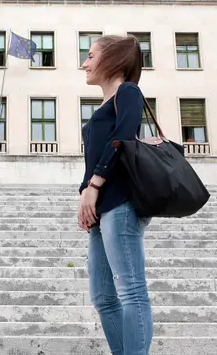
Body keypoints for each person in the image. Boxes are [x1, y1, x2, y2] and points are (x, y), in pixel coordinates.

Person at [78, 35, 153, 355]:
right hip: (99, 206)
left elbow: (123, 138)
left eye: (91, 55)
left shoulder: (128, 92)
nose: (85, 62)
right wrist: (85, 193)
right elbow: (93, 155)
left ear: (112, 59)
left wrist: (94, 185)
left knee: (131, 291)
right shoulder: (104, 104)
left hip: (120, 201)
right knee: (102, 296)